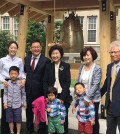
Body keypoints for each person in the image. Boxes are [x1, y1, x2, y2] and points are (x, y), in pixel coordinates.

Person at [43, 44, 71, 134]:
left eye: (57, 53)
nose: (55, 55)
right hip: (51, 96)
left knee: (62, 119)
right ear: (50, 55)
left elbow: (67, 83)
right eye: (53, 54)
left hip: (62, 96)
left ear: (61, 54)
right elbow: (45, 82)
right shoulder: (48, 66)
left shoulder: (66, 66)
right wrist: (47, 96)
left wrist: (62, 98)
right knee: (51, 119)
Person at [24, 39, 50, 134]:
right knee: (29, 113)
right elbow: (24, 73)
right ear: (30, 48)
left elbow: (46, 78)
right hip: (29, 91)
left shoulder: (46, 60)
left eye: (38, 47)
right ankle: (29, 131)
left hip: (40, 92)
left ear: (41, 48)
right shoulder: (26, 59)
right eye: (34, 47)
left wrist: (46, 93)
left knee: (40, 114)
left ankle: (41, 131)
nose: (36, 49)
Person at [0, 41, 26, 134]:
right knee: (6, 109)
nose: (13, 49)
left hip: (16, 83)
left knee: (16, 110)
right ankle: (6, 131)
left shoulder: (19, 60)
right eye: (11, 47)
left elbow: (22, 72)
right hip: (6, 83)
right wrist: (4, 81)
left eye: (15, 48)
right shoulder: (2, 60)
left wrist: (23, 79)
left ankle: (16, 131)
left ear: (17, 49)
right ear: (8, 48)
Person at [78, 46, 102, 134]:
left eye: (88, 55)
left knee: (93, 119)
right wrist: (77, 95)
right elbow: (78, 82)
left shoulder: (97, 68)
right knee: (84, 119)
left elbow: (95, 85)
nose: (86, 57)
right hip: (82, 98)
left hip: (93, 99)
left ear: (93, 56)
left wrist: (87, 98)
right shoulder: (82, 67)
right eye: (84, 55)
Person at [101, 40, 120, 134]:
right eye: (111, 52)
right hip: (110, 106)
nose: (113, 54)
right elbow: (106, 85)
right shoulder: (110, 66)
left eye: (116, 52)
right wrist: (97, 95)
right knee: (110, 131)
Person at [3, 66, 26, 134]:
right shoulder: (7, 83)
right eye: (11, 73)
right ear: (9, 74)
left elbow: (23, 94)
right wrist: (5, 102)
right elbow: (5, 94)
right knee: (10, 120)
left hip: (18, 106)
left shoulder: (21, 83)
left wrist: (23, 103)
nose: (13, 75)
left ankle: (18, 132)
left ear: (18, 74)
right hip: (9, 106)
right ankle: (12, 131)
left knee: (18, 120)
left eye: (15, 73)